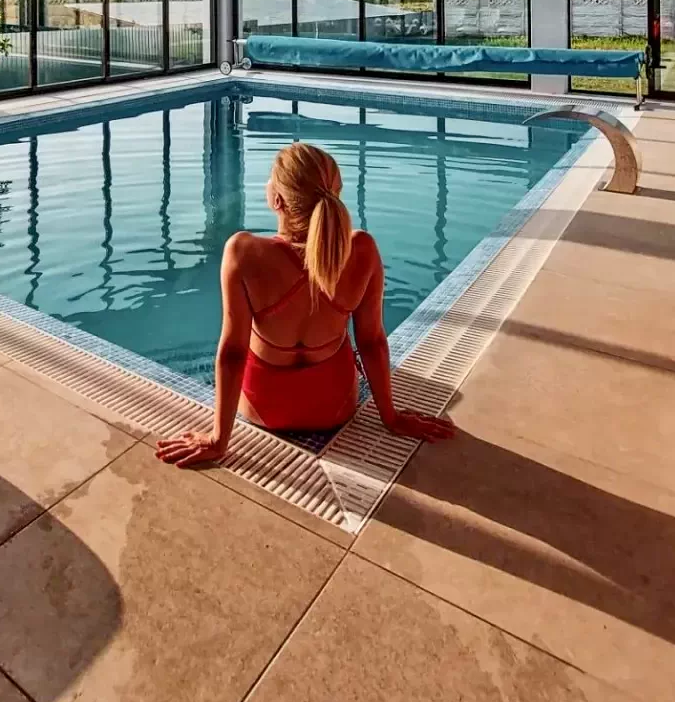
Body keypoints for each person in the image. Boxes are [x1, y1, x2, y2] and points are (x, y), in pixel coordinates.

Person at [156, 140, 453, 468]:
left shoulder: (243, 252)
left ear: (277, 200)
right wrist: (391, 417)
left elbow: (232, 353)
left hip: (262, 407)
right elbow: (372, 342)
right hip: (334, 407)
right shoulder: (362, 250)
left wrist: (217, 440)